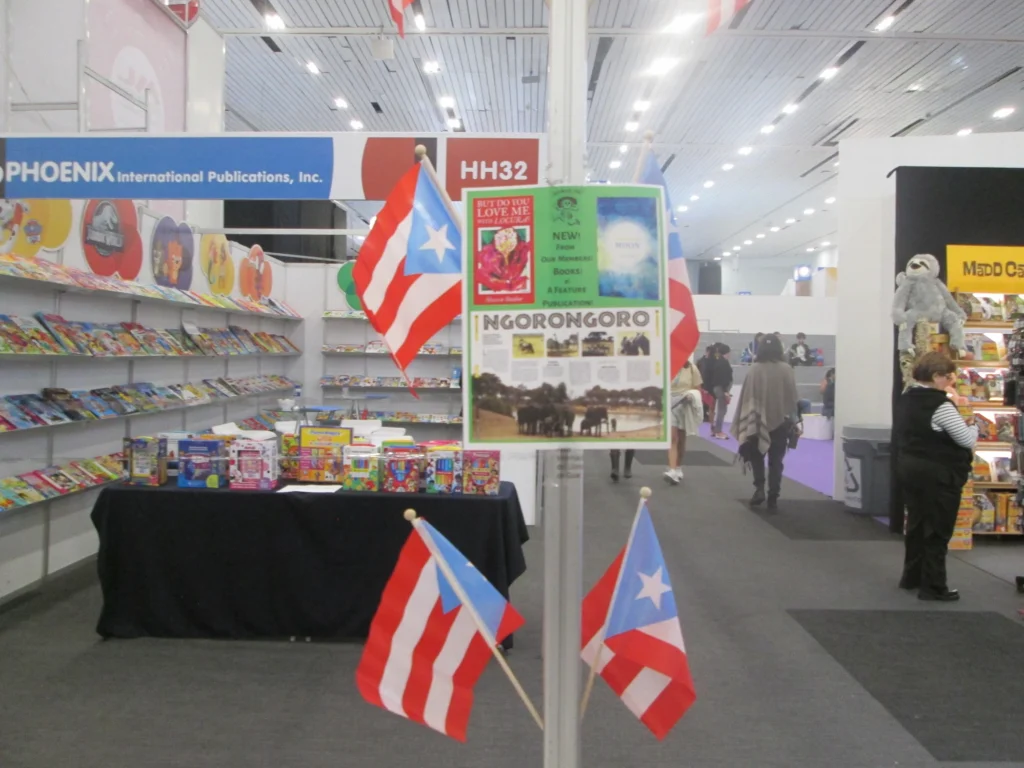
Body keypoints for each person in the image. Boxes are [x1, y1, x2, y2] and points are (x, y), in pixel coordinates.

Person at [895, 352, 976, 602]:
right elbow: (966, 440)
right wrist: (974, 426)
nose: (952, 382)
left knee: (916, 524)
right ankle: (933, 586)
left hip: (910, 469)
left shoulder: (906, 398)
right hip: (939, 474)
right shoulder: (940, 405)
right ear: (937, 376)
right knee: (938, 530)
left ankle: (911, 577)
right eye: (950, 377)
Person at [731, 334, 799, 509]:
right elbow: (792, 398)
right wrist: (795, 422)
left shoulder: (755, 369)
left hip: (757, 420)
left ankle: (759, 488)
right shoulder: (787, 369)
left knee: (756, 456)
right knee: (776, 461)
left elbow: (747, 397)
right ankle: (773, 496)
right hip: (781, 423)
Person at [664, 358, 703, 485]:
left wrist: (691, 395)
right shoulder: (666, 366)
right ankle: (672, 469)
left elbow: (698, 389)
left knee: (681, 439)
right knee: (672, 437)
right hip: (669, 403)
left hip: (685, 404)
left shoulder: (692, 369)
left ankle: (678, 467)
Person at [709, 343, 733, 439]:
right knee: (722, 410)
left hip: (719, 388)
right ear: (726, 352)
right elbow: (723, 378)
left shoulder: (719, 361)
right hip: (721, 388)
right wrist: (726, 391)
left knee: (721, 410)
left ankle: (715, 430)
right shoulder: (723, 363)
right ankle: (718, 431)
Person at [696, 344, 716, 423]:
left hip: (709, 384)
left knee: (709, 401)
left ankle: (706, 415)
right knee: (702, 400)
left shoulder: (711, 361)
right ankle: (703, 415)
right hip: (702, 383)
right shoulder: (701, 361)